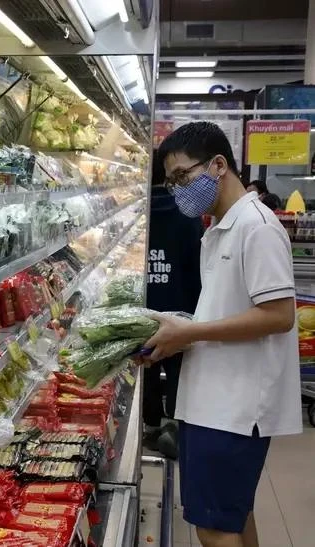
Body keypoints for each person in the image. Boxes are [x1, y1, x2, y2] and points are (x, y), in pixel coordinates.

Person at [147, 121, 301, 547]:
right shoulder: (217, 228)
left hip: (235, 409)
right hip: (212, 402)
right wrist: (171, 336)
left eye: (182, 177)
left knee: (214, 529)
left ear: (218, 165)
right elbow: (224, 310)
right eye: (170, 182)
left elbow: (278, 315)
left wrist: (191, 332)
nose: (177, 190)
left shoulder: (258, 227)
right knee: (232, 518)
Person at [142, 149, 203, 459]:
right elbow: (197, 266)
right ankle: (173, 425)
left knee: (146, 366)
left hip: (142, 311)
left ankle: (150, 426)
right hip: (181, 307)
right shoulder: (187, 214)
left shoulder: (135, 212)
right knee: (178, 367)